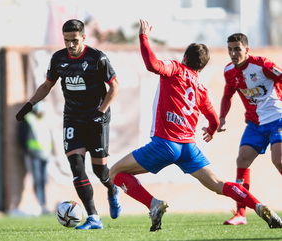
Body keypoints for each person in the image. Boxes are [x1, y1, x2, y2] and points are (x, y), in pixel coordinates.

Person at [109, 19, 282, 232]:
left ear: (184, 58)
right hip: (189, 149)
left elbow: (152, 65)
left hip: (165, 144)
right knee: (219, 184)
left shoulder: (174, 68)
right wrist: (210, 131)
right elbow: (214, 119)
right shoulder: (200, 87)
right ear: (202, 66)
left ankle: (153, 204)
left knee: (115, 172)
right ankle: (258, 205)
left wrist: (143, 37)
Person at [16, 19, 121, 230]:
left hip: (96, 119)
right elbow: (48, 85)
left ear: (83, 38)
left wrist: (100, 112)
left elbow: (114, 87)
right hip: (73, 118)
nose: (70, 45)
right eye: (66, 41)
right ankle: (93, 217)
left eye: (74, 41)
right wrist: (30, 104)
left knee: (101, 172)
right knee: (77, 167)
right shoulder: (58, 59)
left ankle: (112, 189)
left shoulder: (97, 58)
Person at [218, 33, 282, 225]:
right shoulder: (229, 71)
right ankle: (240, 214)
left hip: (278, 119)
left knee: (278, 161)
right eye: (230, 49)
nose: (233, 53)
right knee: (242, 159)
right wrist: (221, 118)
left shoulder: (263, 64)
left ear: (246, 50)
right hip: (255, 124)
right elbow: (227, 95)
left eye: (237, 49)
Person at [18, 101, 53, 215]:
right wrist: (25, 150)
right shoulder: (28, 119)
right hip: (33, 154)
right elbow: (22, 136)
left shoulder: (44, 120)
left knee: (43, 180)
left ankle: (44, 204)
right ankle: (40, 204)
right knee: (37, 180)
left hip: (45, 154)